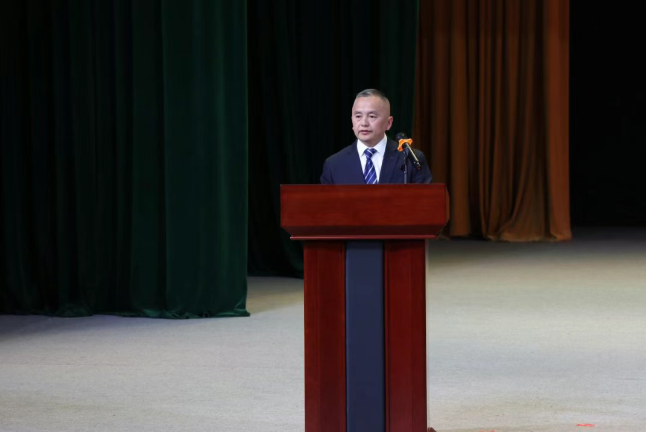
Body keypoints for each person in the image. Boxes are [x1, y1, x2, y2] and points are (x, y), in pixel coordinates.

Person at [320, 89, 432, 184]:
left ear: (388, 123)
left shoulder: (411, 159)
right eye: (358, 116)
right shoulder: (334, 164)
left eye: (372, 116)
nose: (364, 123)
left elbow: (426, 201)